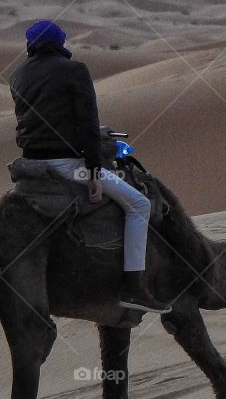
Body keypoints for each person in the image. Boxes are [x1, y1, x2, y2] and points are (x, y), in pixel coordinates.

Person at [9, 20, 170, 313]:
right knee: (139, 204)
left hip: (30, 167)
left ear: (30, 44)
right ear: (60, 42)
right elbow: (86, 124)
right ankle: (134, 289)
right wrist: (94, 173)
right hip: (69, 165)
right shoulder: (74, 71)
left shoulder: (18, 75)